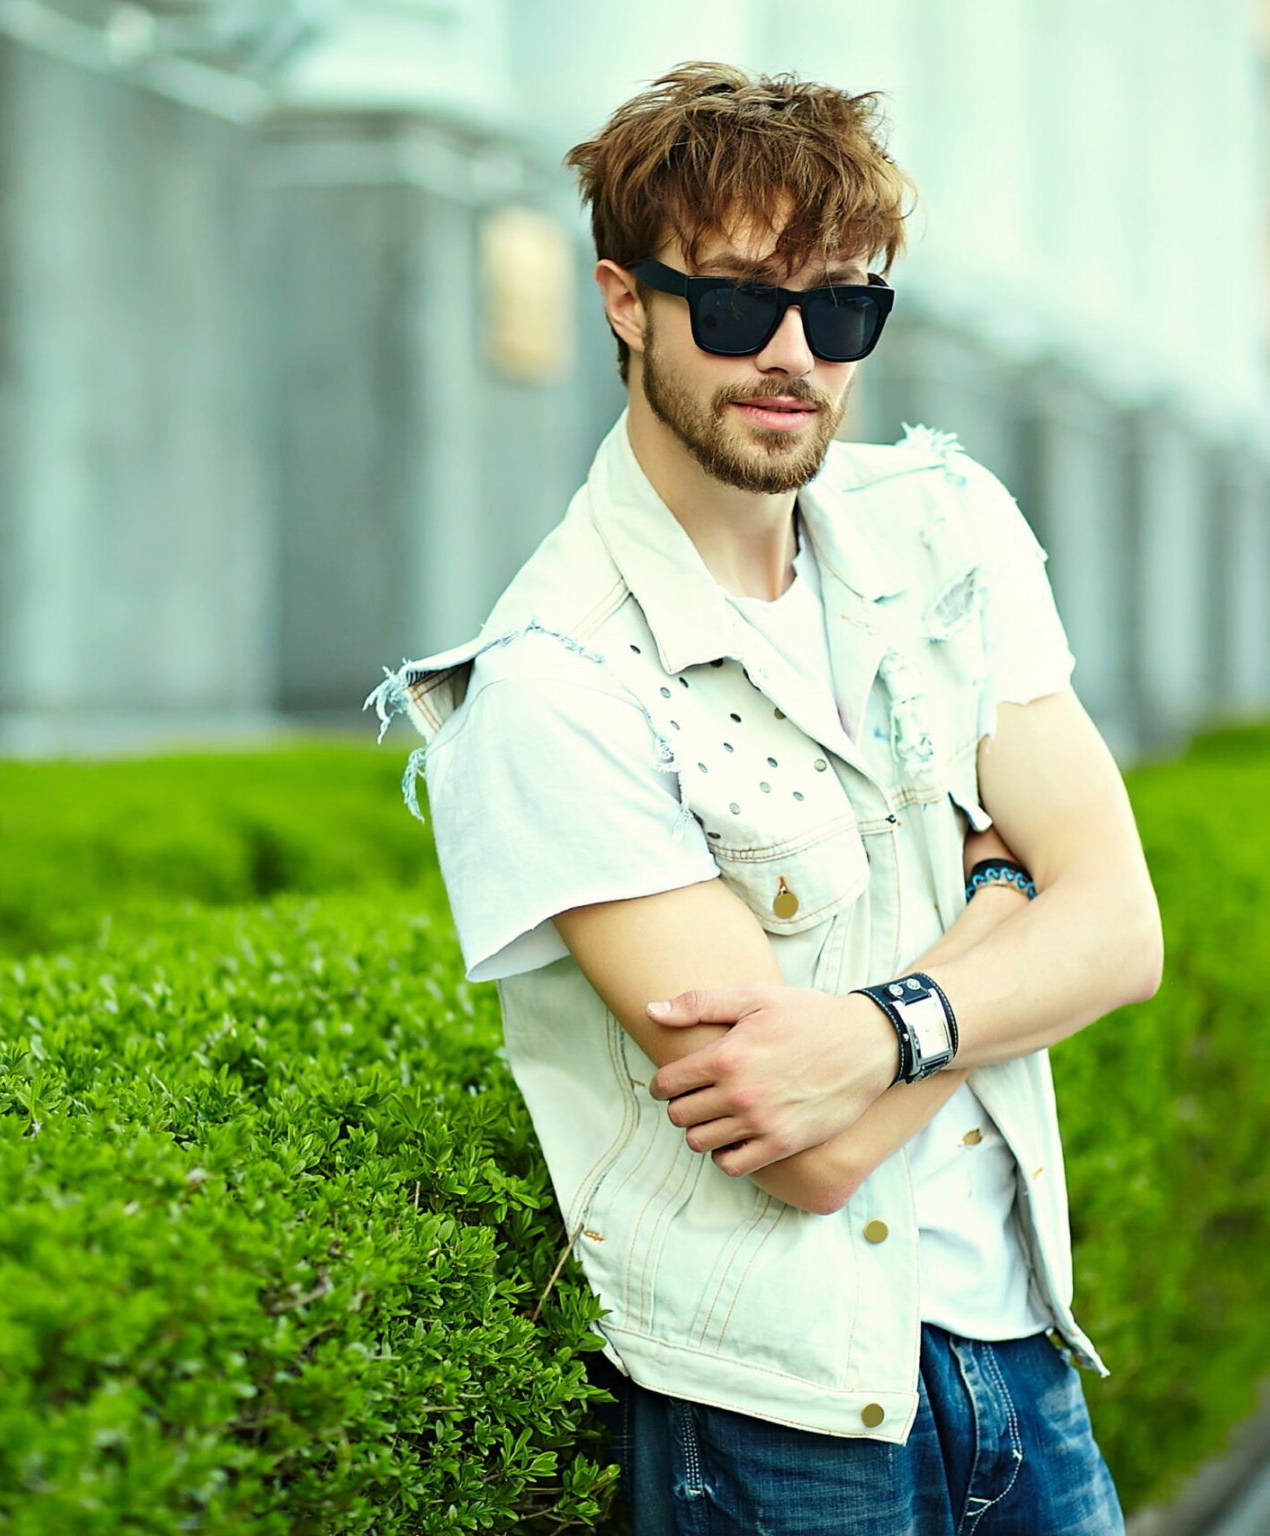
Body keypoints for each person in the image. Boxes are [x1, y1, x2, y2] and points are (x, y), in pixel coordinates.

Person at [366, 62, 1162, 1536]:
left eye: (842, 308)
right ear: (625, 301)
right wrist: (1002, 907)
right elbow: (807, 1149)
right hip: (783, 1426)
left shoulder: (951, 530)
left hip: (1022, 1366)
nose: (792, 355)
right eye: (736, 305)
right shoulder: (557, 685)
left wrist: (877, 1029)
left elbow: (1124, 935)